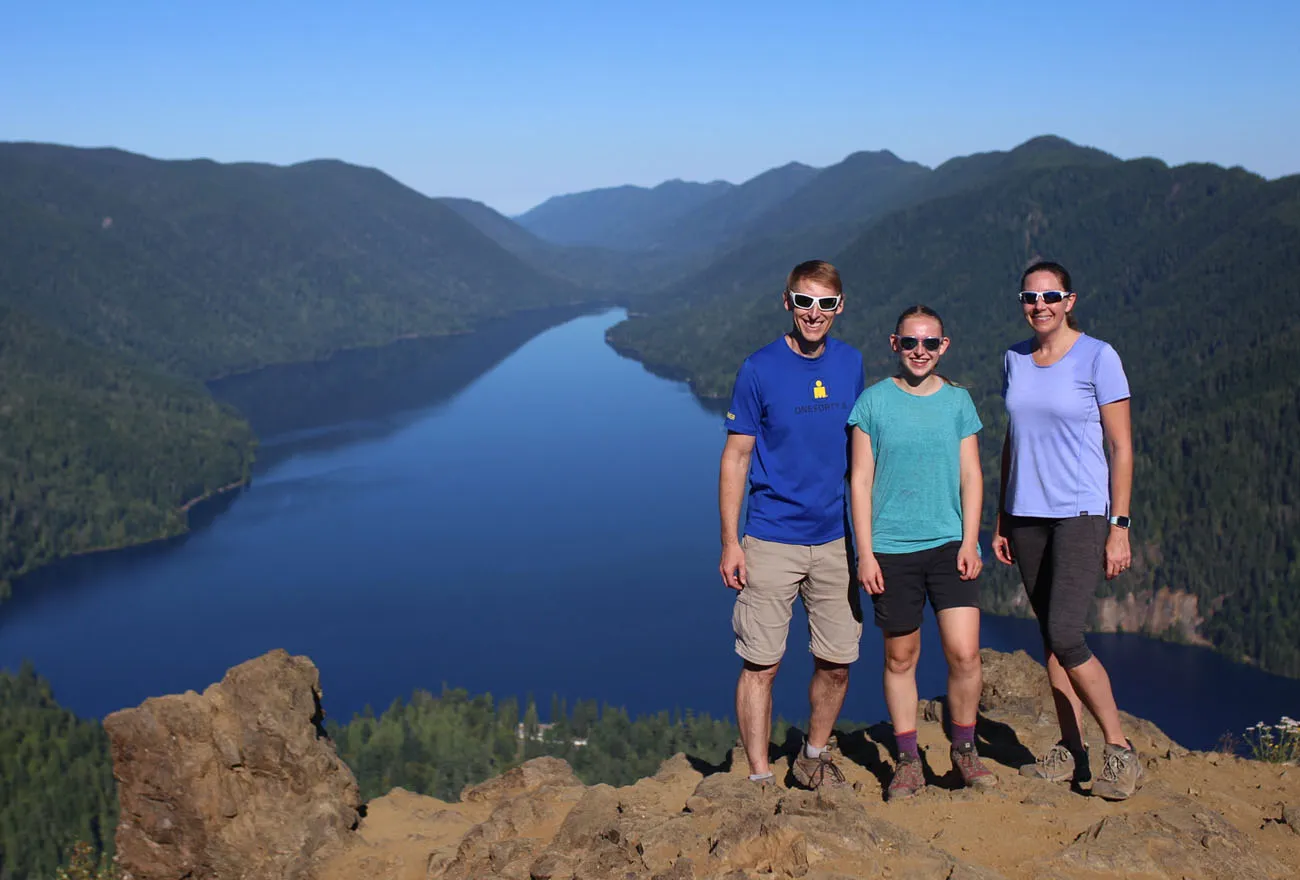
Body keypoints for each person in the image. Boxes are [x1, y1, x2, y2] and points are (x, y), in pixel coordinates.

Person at [991, 260, 1141, 801]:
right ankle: (1071, 751)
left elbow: (1121, 446)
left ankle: (1120, 750)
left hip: (1079, 513)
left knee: (1066, 634)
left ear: (1070, 300)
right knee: (1049, 639)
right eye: (1030, 297)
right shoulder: (1014, 358)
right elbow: (1014, 438)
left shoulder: (1099, 357)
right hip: (1026, 515)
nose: (1040, 306)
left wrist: (1119, 526)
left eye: (1051, 296)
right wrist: (1002, 514)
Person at [719, 259, 865, 789]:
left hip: (834, 540)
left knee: (838, 662)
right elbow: (735, 458)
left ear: (839, 307)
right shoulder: (758, 369)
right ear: (788, 303)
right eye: (804, 301)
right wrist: (730, 542)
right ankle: (760, 778)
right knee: (761, 664)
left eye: (825, 303)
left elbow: (862, 458)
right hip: (770, 538)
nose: (814, 313)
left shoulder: (851, 364)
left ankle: (812, 757)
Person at [848, 305, 993, 800]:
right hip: (891, 549)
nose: (920, 352)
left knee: (965, 653)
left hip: (950, 545)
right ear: (894, 344)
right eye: (910, 343)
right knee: (900, 657)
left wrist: (972, 539)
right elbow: (860, 481)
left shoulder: (958, 402)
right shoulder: (872, 404)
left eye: (930, 343)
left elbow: (972, 475)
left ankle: (964, 748)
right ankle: (908, 758)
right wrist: (865, 554)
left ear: (944, 347)